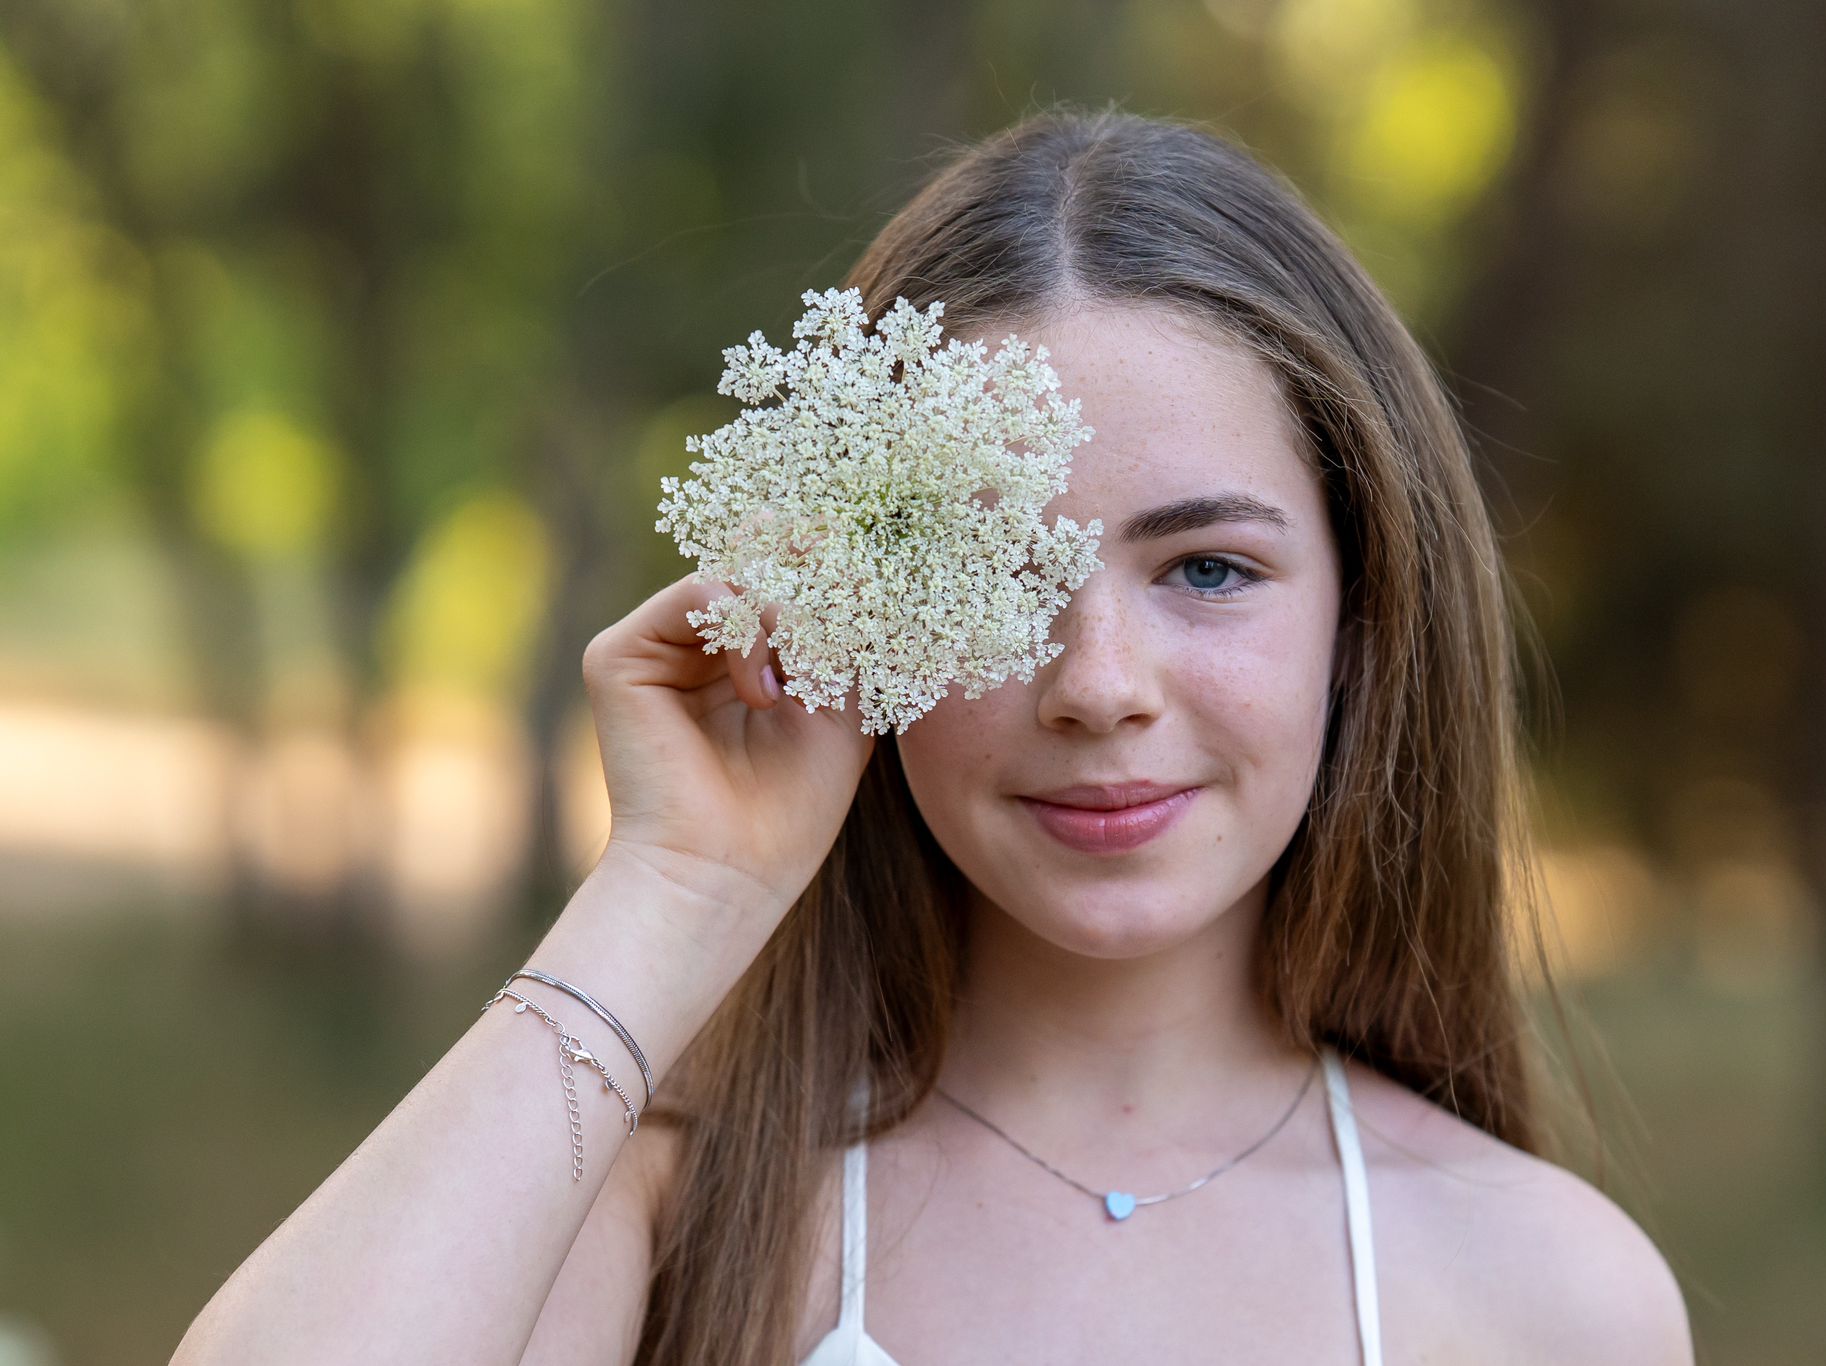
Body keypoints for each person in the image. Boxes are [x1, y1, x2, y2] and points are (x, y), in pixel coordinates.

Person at [172, 102, 1695, 1366]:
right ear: (854, 612)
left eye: (1209, 570)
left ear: (1362, 616)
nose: (1098, 682)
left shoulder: (1548, 1292)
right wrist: (675, 887)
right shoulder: (666, 1222)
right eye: (988, 569)